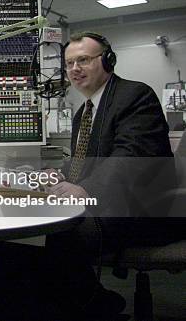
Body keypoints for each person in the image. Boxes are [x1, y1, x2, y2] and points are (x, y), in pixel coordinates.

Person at [42, 32, 181, 319]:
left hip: (145, 208)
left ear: (108, 61)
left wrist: (84, 190)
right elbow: (88, 162)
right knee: (47, 229)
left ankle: (93, 305)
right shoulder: (85, 111)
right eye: (69, 64)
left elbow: (130, 158)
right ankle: (91, 301)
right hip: (112, 203)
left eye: (83, 60)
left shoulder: (135, 95)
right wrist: (57, 174)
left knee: (57, 234)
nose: (74, 69)